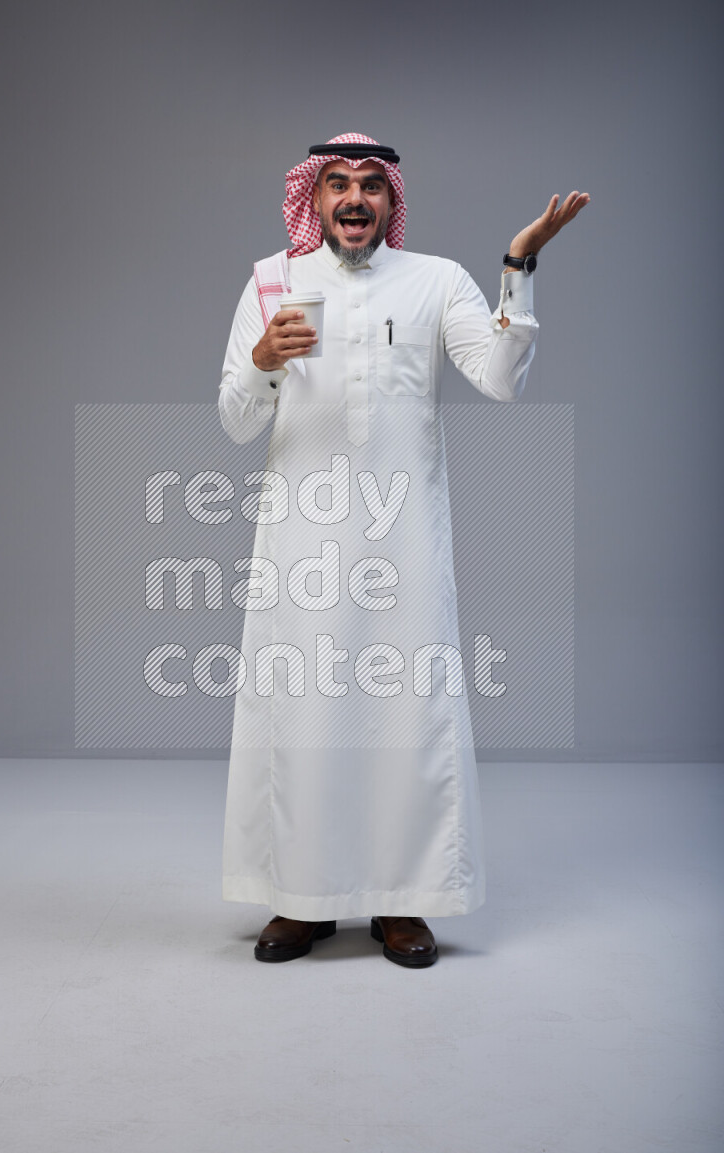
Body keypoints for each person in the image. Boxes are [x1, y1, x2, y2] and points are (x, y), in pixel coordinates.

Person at [217, 133, 589, 968]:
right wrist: (264, 362)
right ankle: (302, 899)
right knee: (305, 716)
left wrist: (518, 268)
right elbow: (236, 418)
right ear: (312, 201)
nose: (354, 199)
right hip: (301, 542)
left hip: (404, 543)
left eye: (371, 186)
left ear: (391, 200)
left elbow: (498, 377)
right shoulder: (272, 280)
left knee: (403, 714)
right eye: (338, 185)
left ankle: (401, 902)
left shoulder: (436, 281)